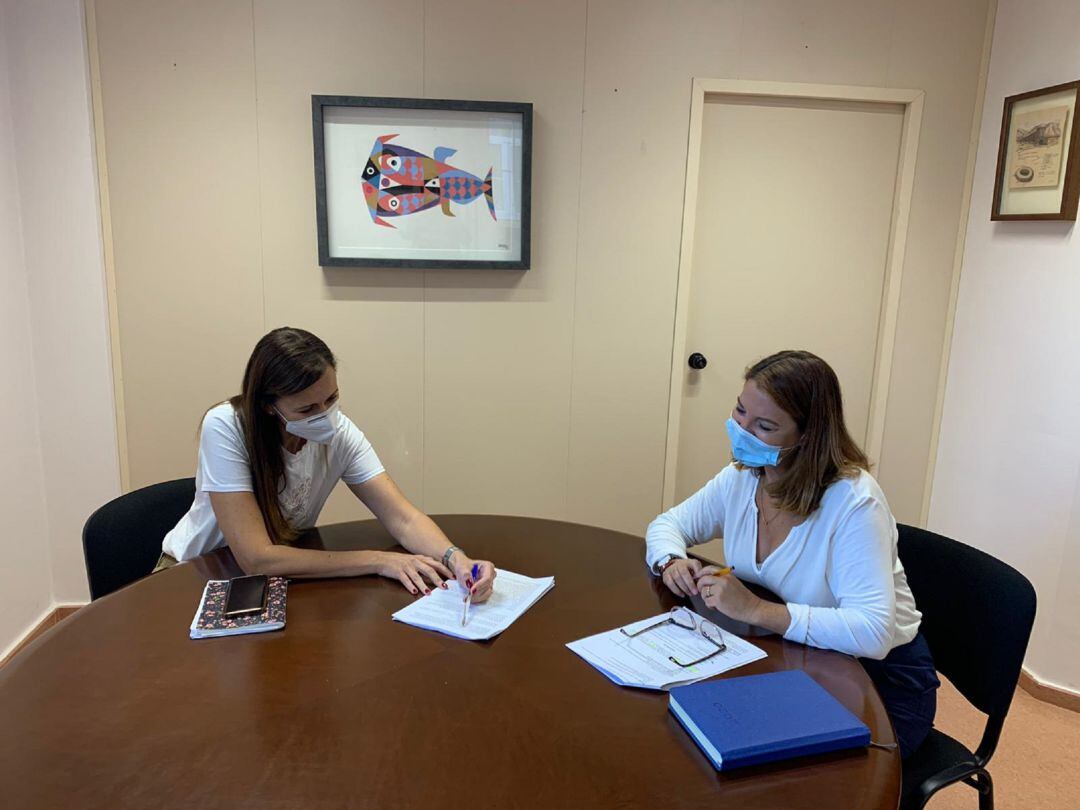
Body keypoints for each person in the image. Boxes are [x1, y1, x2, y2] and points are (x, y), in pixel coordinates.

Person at [645, 350, 938, 757]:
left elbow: (872, 633)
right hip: (798, 658)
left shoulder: (854, 503)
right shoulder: (743, 478)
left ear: (807, 436)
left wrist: (755, 611)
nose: (742, 431)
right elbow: (667, 525)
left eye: (764, 426)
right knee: (691, 738)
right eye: (740, 412)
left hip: (880, 682)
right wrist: (671, 561)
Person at [158, 327, 495, 601]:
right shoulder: (226, 426)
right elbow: (256, 557)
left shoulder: (339, 433)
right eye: (306, 410)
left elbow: (403, 518)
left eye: (331, 399)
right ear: (267, 406)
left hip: (274, 581)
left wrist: (457, 558)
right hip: (197, 577)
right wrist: (379, 560)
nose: (324, 417)